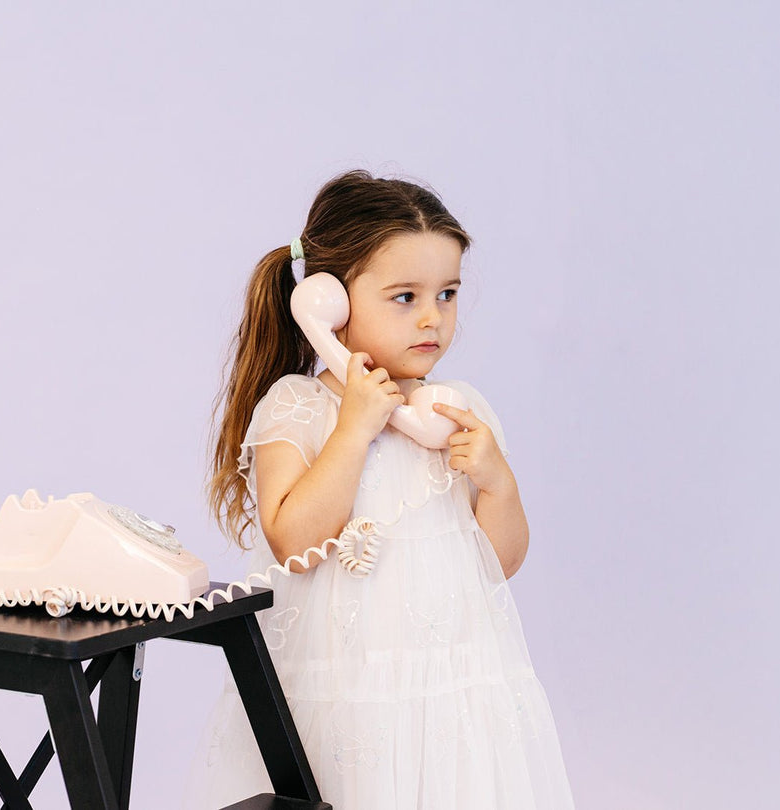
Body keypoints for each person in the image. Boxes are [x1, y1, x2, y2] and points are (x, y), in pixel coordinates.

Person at [185, 171, 575, 809]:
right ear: (328, 304)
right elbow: (292, 543)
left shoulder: (457, 411)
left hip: (452, 691)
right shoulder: (298, 410)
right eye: (405, 297)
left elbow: (498, 564)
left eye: (447, 294)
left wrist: (496, 480)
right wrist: (354, 429)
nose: (433, 318)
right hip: (343, 701)